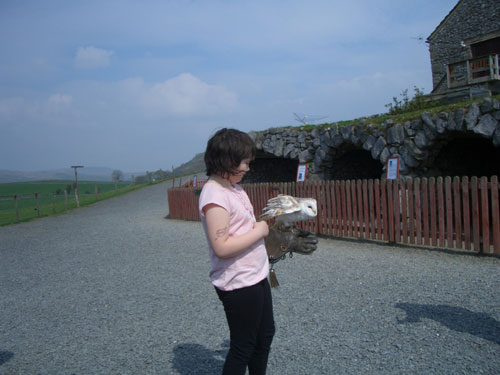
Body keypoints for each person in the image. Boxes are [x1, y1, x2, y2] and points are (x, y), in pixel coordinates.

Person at [198, 128, 274, 374]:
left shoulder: (233, 187)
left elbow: (242, 229)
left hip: (255, 275)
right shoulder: (215, 195)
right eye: (244, 162)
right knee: (244, 346)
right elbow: (222, 247)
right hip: (238, 283)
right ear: (226, 161)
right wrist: (261, 231)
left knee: (264, 336)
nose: (247, 168)